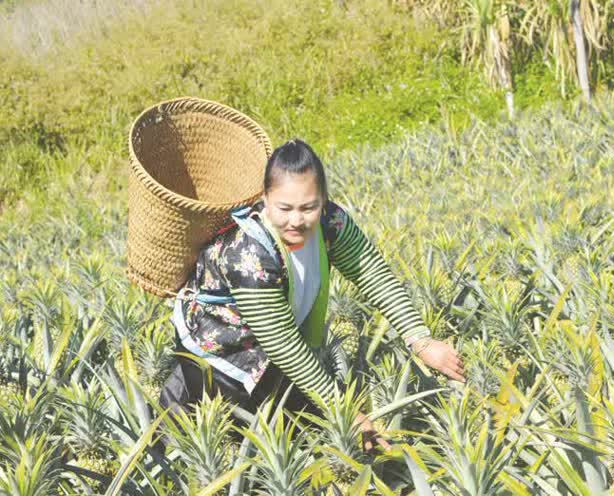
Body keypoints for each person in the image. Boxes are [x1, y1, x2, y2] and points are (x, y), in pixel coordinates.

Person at [159, 138, 466, 453]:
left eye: (308, 207)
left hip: (278, 356)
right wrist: (343, 410)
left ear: (323, 200)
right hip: (221, 361)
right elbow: (281, 342)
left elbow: (373, 275)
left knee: (300, 438)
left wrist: (421, 340)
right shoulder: (246, 253)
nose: (296, 220)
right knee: (236, 452)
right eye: (284, 208)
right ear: (264, 199)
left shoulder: (331, 221)